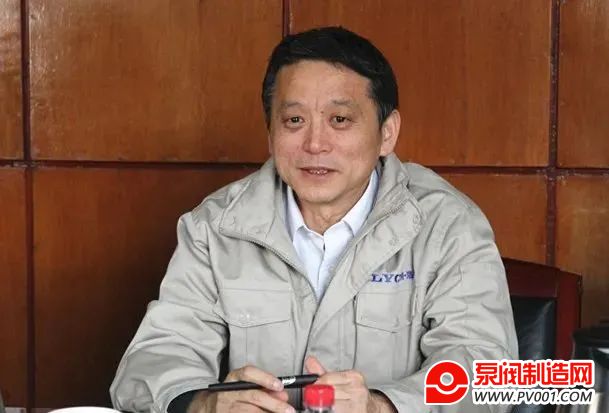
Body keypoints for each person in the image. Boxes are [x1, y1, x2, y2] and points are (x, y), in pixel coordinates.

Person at [110, 26, 518, 413]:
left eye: (339, 120)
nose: (315, 144)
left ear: (387, 133)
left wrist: (384, 405)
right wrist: (204, 404)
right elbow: (153, 359)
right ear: (270, 133)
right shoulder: (216, 227)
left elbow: (488, 371)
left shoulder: (448, 226)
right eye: (294, 121)